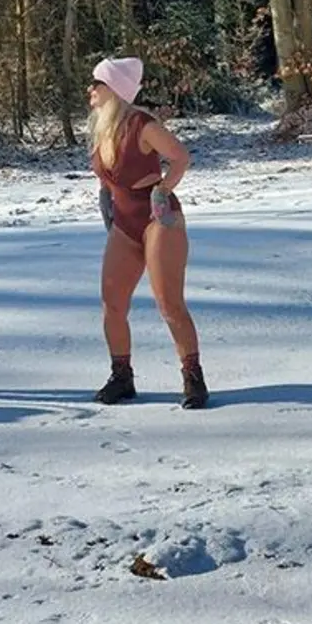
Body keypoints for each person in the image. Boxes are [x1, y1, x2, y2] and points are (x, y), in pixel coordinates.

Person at [87, 57, 207, 410]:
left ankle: (193, 377)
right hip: (124, 223)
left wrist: (163, 190)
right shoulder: (103, 129)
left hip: (159, 219)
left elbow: (180, 157)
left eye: (97, 82)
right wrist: (106, 199)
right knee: (112, 303)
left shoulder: (141, 124)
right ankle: (121, 376)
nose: (90, 89)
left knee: (169, 303)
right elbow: (108, 175)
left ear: (116, 90)